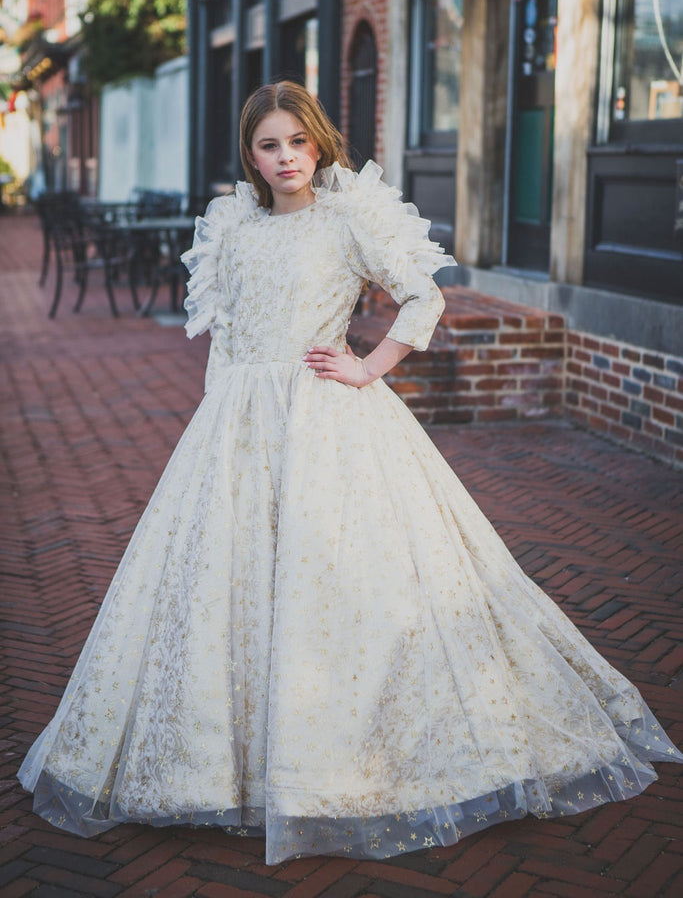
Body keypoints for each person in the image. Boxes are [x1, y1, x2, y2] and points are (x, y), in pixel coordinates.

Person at [18, 81, 681, 865]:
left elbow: (419, 297)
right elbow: (227, 341)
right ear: (250, 155)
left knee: (346, 578)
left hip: (325, 416)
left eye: (297, 141)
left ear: (319, 143)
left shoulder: (347, 219)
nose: (285, 157)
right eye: (268, 145)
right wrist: (214, 422)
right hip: (235, 426)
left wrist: (369, 367)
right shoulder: (233, 228)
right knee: (224, 586)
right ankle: (218, 761)